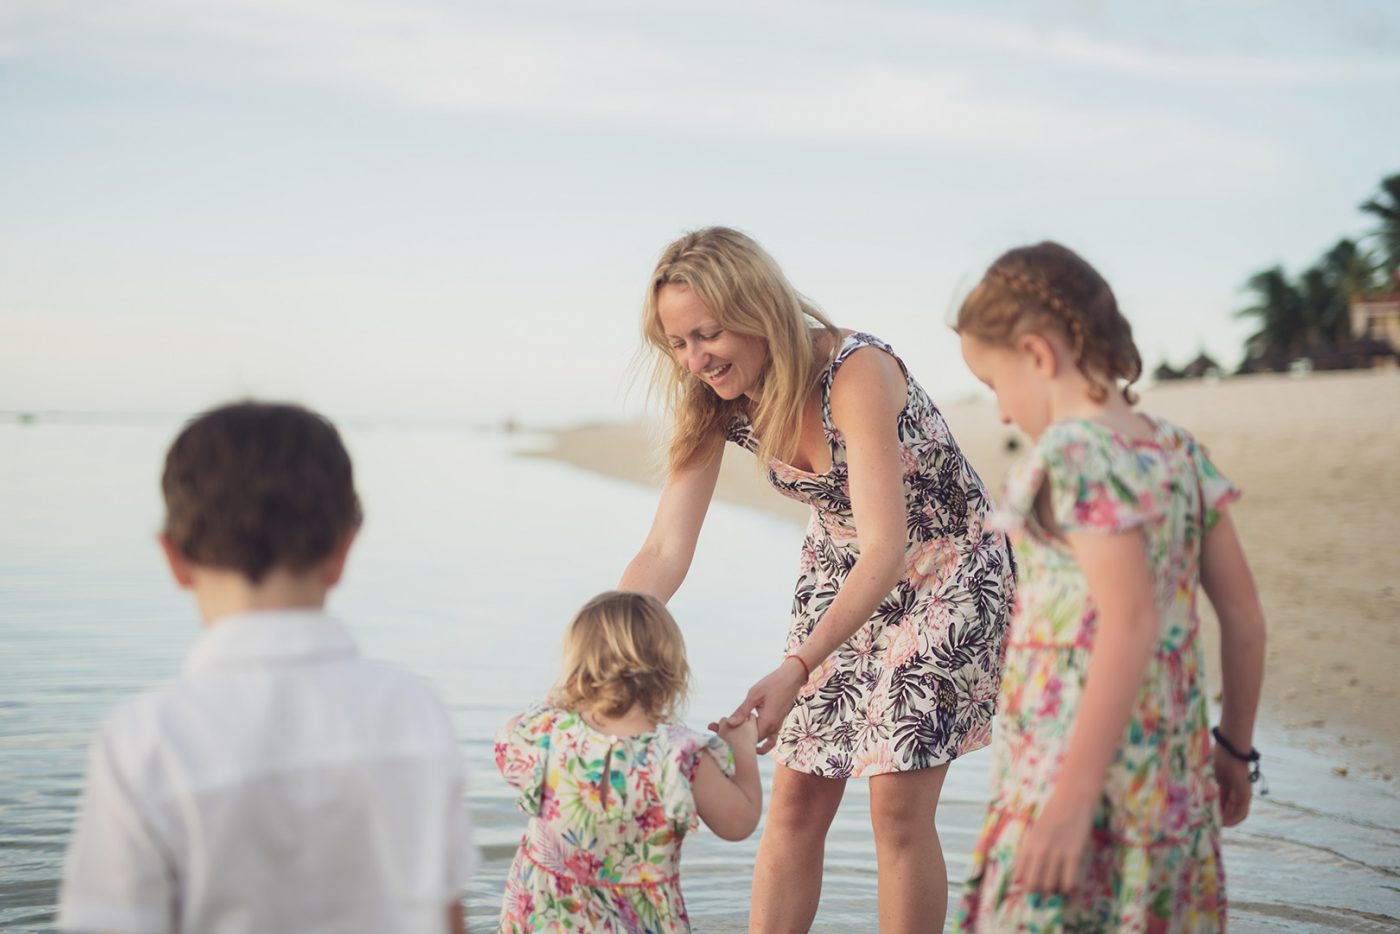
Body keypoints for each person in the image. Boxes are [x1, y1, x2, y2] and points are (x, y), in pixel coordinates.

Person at [620, 226, 1013, 932]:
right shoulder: (713, 396)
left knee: (895, 806)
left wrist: (797, 666)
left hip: (946, 571)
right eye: (677, 343)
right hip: (840, 568)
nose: (694, 358)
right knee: (798, 800)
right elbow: (664, 548)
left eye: (707, 334)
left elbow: (888, 547)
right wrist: (607, 643)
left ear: (757, 310)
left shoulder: (856, 371)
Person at [57, 401, 477, 934]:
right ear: (343, 548)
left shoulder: (144, 743)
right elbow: (448, 917)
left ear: (173, 558)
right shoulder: (415, 712)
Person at [952, 242, 1268, 931]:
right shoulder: (1178, 452)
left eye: (994, 385)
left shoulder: (1071, 454)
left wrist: (1069, 802)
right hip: (1169, 790)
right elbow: (1244, 620)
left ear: (1038, 354)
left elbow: (1129, 622)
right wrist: (1234, 750)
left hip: (1073, 779)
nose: (1002, 414)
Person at [494, 590, 761, 933]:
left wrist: (559, 701)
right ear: (672, 673)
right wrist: (743, 748)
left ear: (576, 668)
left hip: (545, 921)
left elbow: (505, 743)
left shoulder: (544, 734)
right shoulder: (679, 756)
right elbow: (739, 823)